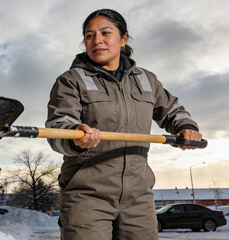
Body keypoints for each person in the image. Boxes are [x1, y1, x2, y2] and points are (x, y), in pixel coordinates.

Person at [45, 9, 202, 240]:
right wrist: (75, 136)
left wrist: (186, 127)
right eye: (89, 35)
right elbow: (58, 126)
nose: (96, 40)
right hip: (87, 196)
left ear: (124, 38)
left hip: (139, 198)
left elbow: (171, 110)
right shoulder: (72, 80)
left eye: (105, 33)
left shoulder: (146, 80)